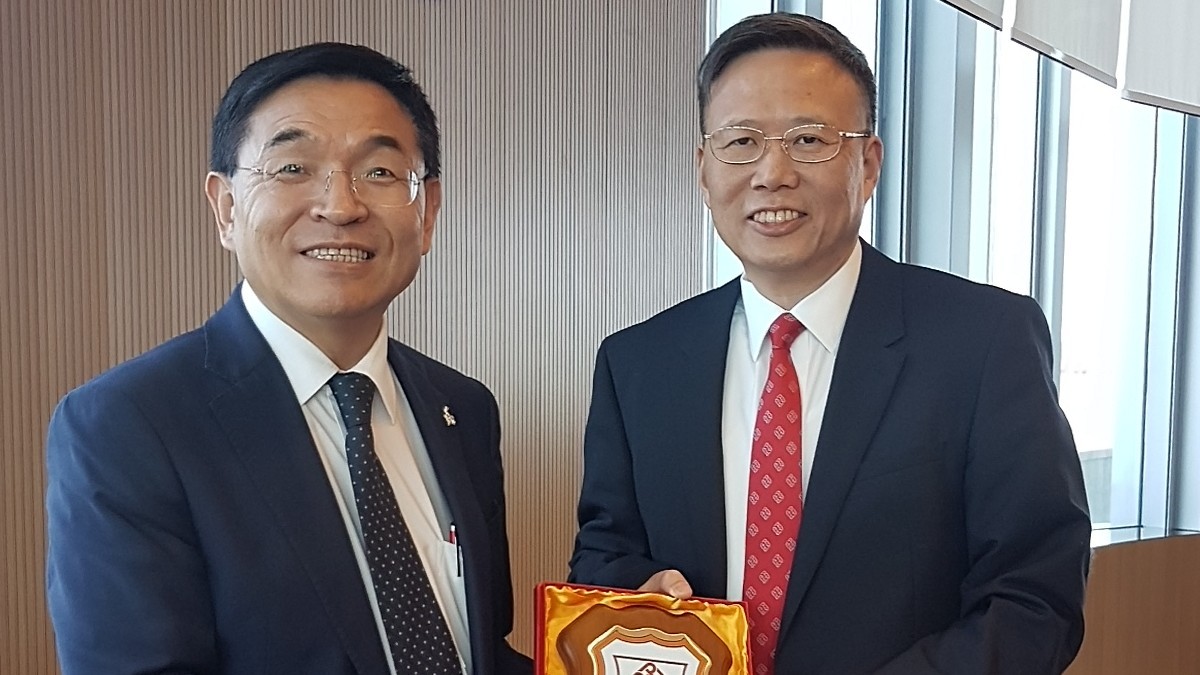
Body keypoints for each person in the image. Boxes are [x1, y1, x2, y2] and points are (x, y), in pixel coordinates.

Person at [569, 13, 1091, 675]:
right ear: (703, 168)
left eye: (809, 138)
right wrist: (636, 609)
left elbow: (1033, 596)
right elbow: (604, 561)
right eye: (741, 141)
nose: (772, 173)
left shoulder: (984, 341)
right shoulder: (637, 362)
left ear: (868, 163)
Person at [46, 42, 530, 675]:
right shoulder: (126, 425)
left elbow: (479, 649)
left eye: (380, 173)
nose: (340, 205)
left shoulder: (461, 408)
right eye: (293, 168)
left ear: (427, 211)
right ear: (225, 208)